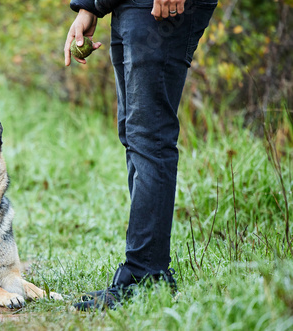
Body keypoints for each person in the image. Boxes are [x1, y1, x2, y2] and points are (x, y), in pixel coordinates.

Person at [64, 0, 218, 310]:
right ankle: (149, 272)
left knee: (150, 137)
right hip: (126, 6)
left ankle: (145, 275)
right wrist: (88, 7)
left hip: (160, 7)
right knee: (135, 135)